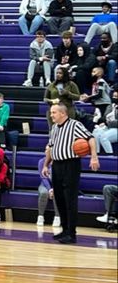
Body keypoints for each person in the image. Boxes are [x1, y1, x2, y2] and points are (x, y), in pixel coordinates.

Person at [43, 102, 100, 244]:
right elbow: (51, 147)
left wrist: (94, 157)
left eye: (54, 113)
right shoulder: (55, 128)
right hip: (57, 165)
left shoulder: (75, 125)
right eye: (51, 113)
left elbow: (90, 138)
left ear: (63, 113)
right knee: (60, 198)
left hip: (71, 165)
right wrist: (46, 165)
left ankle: (72, 233)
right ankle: (64, 229)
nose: (51, 115)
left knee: (70, 199)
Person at [36, 157, 58, 230]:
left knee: (57, 193)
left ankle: (57, 217)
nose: (47, 152)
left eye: (48, 150)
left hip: (58, 186)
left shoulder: (59, 162)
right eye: (46, 150)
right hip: (44, 185)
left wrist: (54, 189)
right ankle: (40, 216)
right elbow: (43, 178)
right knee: (43, 193)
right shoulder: (42, 161)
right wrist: (50, 189)